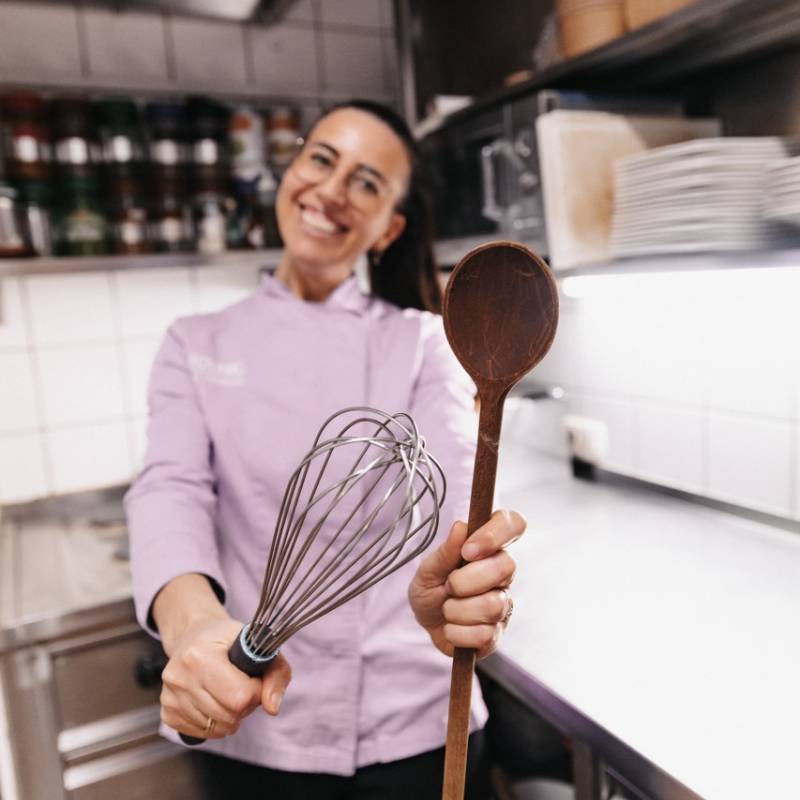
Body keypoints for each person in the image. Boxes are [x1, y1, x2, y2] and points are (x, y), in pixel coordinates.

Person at [125, 99, 525, 800]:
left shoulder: (425, 341)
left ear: (388, 229)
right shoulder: (197, 342)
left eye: (367, 183)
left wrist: (456, 592)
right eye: (321, 159)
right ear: (292, 171)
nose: (332, 190)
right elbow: (171, 491)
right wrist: (194, 630)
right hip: (250, 714)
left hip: (412, 723)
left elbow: (454, 497)